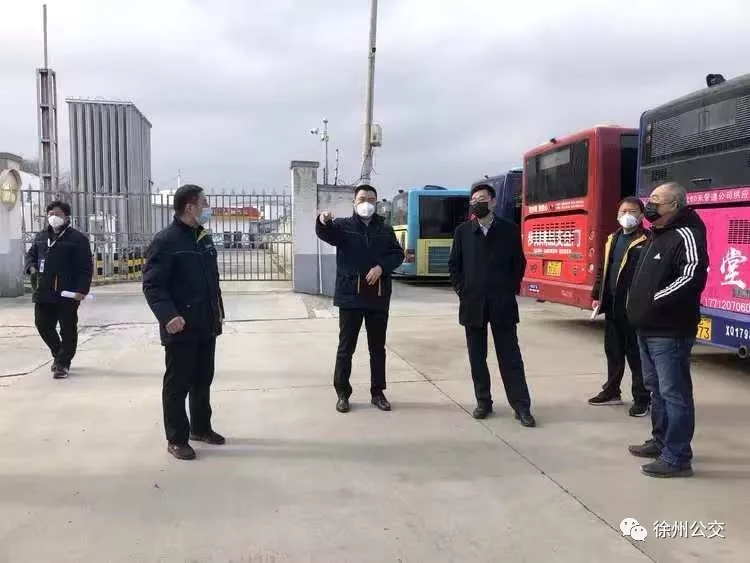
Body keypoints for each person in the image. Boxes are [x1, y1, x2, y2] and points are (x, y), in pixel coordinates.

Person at [626, 182, 708, 478]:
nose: (650, 206)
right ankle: (661, 442)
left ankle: (678, 457)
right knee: (657, 390)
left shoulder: (687, 233)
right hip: (647, 328)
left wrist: (652, 302)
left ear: (675, 205)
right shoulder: (656, 234)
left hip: (670, 330)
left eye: (657, 201)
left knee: (674, 393)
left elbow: (691, 276)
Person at [142, 184, 226, 461]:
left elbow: (211, 281)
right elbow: (153, 285)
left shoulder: (203, 237)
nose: (207, 208)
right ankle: (176, 438)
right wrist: (168, 316)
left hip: (206, 321)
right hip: (180, 325)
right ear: (189, 207)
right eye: (204, 203)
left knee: (203, 379)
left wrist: (217, 311)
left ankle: (201, 428)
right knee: (178, 383)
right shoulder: (165, 241)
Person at [448, 183, 536, 426]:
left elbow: (519, 264)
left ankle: (521, 406)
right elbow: (454, 266)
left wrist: (508, 289)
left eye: (483, 198)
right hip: (473, 304)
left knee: (510, 357)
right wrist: (463, 291)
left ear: (493, 201)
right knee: (477, 357)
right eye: (474, 199)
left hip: (502, 304)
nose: (478, 202)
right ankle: (483, 401)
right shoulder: (463, 232)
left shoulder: (508, 229)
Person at [315, 183, 405, 414]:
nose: (367, 203)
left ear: (377, 202)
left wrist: (381, 267)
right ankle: (342, 394)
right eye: (362, 199)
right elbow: (326, 233)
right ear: (354, 202)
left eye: (371, 199)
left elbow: (397, 254)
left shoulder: (385, 229)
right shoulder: (343, 226)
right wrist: (323, 220)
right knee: (346, 348)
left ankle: (378, 392)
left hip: (377, 297)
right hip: (350, 297)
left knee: (377, 348)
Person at [588, 197, 651, 416]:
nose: (627, 215)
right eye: (623, 211)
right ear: (617, 214)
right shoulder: (612, 239)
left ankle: (642, 398)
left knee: (636, 355)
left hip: (633, 308)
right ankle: (612, 391)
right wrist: (597, 295)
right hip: (613, 306)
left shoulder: (647, 240)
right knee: (613, 351)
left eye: (632, 211)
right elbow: (603, 269)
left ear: (641, 216)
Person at [24, 200, 93, 379]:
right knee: (42, 325)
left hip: (67, 293)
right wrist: (31, 268)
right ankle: (59, 353)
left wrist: (82, 290)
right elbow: (31, 255)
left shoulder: (77, 240)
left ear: (67, 217)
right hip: (44, 291)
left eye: (58, 214)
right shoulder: (41, 237)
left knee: (67, 329)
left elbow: (85, 268)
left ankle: (63, 364)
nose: (53, 217)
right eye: (51, 214)